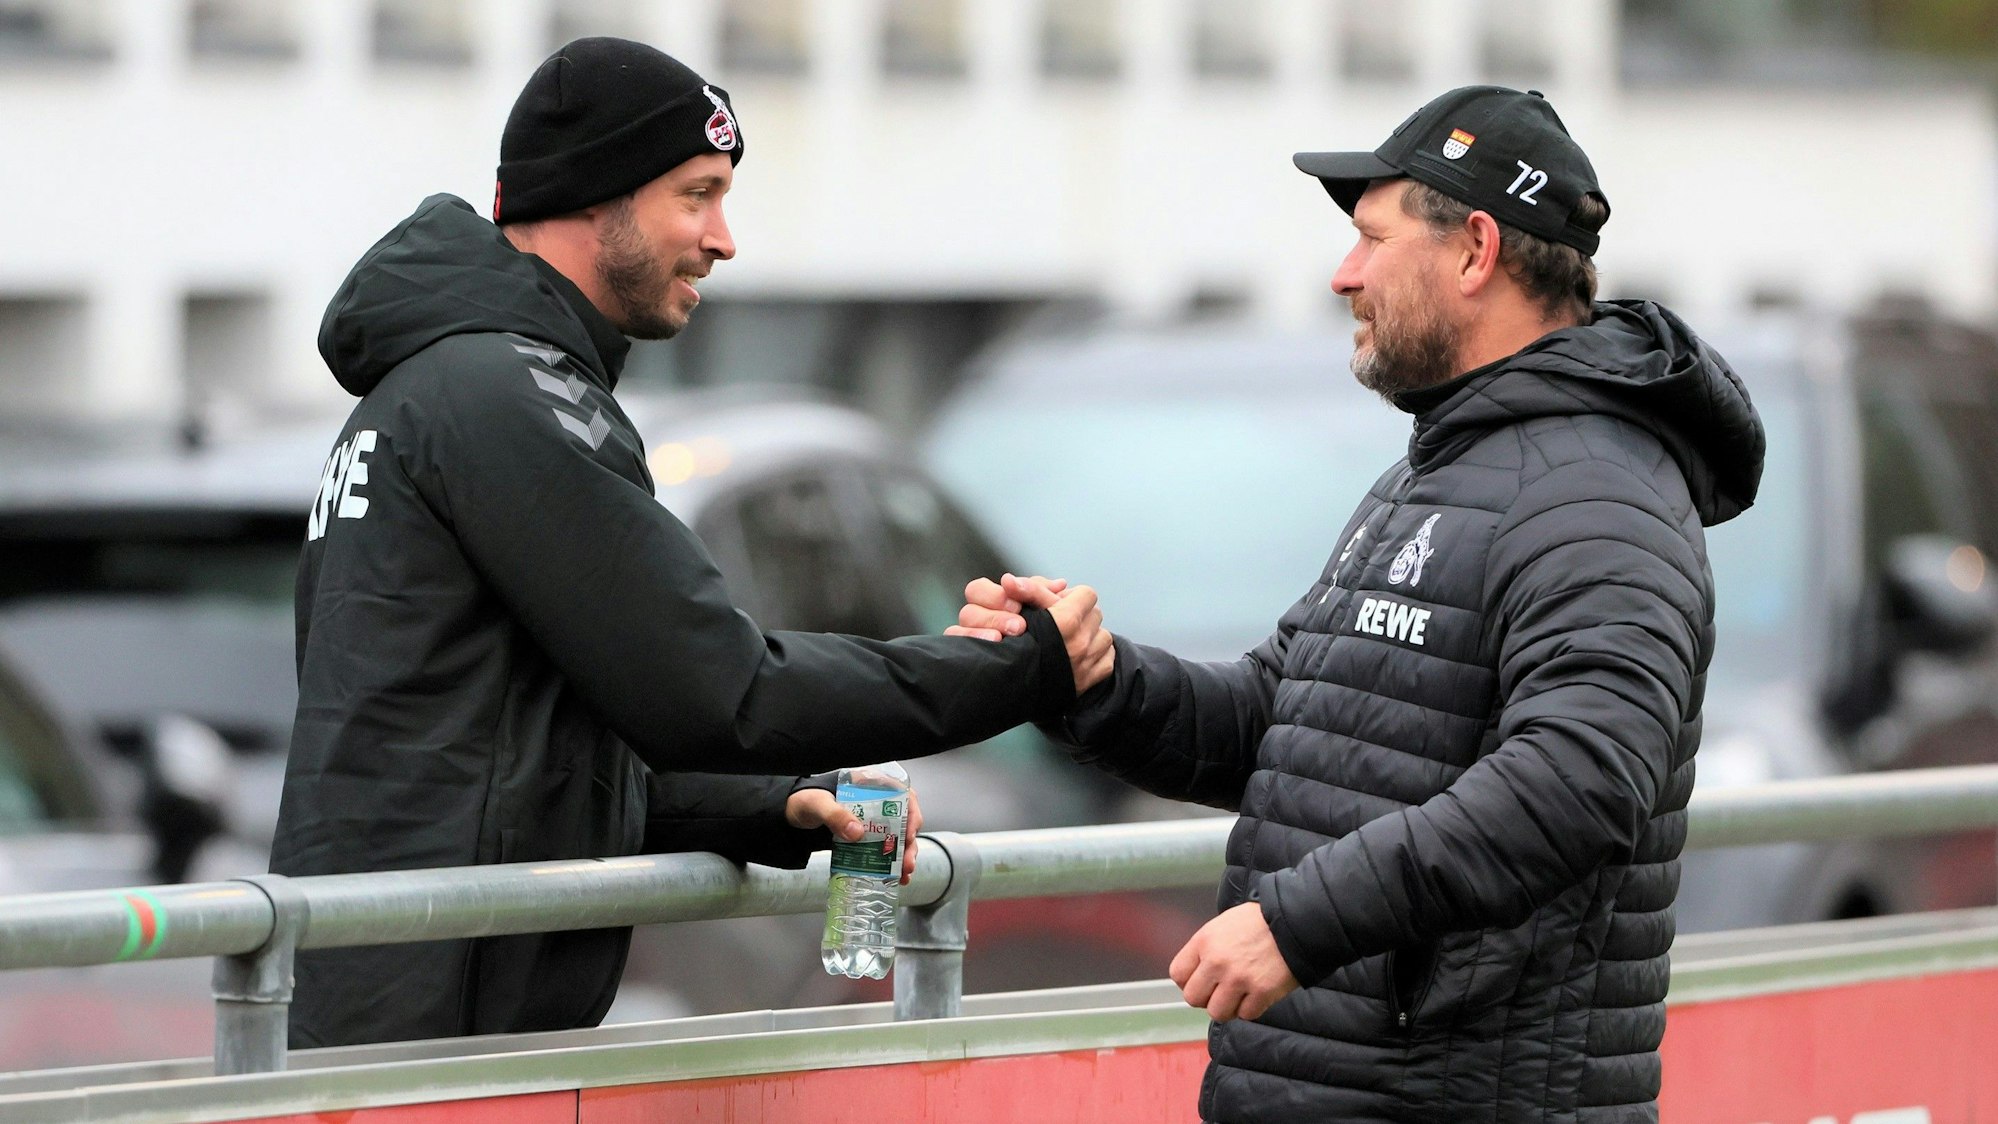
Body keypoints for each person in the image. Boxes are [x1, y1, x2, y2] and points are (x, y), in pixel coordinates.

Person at [270, 37, 1111, 1050]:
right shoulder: (502, 396)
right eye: (695, 194)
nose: (723, 238)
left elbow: (510, 755)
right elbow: (723, 690)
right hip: (432, 1035)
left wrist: (775, 805)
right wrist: (1013, 669)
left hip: (420, 1009)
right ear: (594, 196)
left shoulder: (449, 388)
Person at [956, 86, 1765, 1122]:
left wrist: (1297, 923)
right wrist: (1092, 678)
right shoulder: (1447, 470)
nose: (1343, 274)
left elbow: (1579, 777)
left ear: (1475, 250)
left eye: (1369, 240)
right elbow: (1286, 724)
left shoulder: (1597, 492)